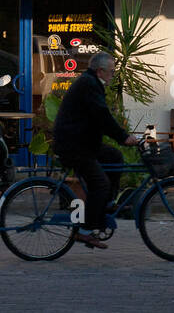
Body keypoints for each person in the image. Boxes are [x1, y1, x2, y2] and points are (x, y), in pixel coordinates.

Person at [52, 51, 139, 249]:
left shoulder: (91, 83)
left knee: (114, 156)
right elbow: (102, 116)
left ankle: (104, 205)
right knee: (100, 183)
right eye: (111, 72)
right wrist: (123, 136)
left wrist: (120, 137)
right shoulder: (89, 85)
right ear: (100, 71)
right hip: (73, 146)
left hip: (82, 142)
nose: (113, 75)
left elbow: (98, 118)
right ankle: (84, 231)